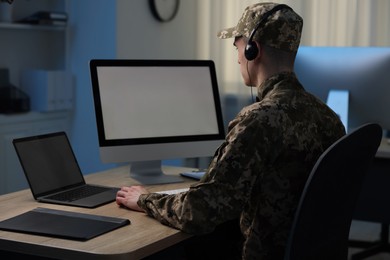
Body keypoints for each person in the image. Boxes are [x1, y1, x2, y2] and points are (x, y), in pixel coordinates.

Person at [116, 2, 346, 259]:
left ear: (252, 50)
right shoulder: (329, 117)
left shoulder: (258, 120)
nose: (237, 56)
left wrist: (145, 200)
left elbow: (201, 211)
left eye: (237, 45)